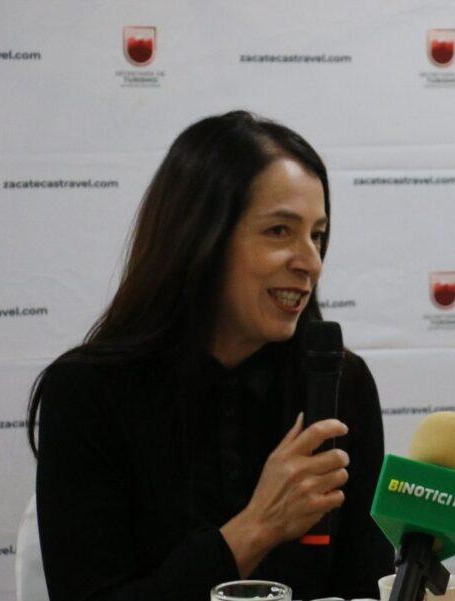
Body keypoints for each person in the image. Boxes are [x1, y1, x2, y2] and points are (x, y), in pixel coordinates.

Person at [26, 111, 394, 600]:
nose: (311, 261)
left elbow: (365, 586)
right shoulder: (88, 392)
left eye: (318, 235)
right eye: (279, 231)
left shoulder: (341, 382)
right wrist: (257, 527)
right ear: (200, 237)